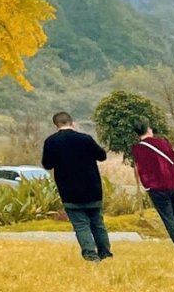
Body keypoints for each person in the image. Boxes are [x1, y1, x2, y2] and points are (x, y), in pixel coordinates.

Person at [41, 112, 111, 262]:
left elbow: (47, 164)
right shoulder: (85, 139)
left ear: (56, 125)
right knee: (98, 223)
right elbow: (102, 156)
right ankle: (105, 253)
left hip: (69, 191)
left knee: (81, 225)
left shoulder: (51, 142)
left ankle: (91, 255)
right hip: (92, 189)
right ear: (72, 122)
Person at [133, 124, 174, 249]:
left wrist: (147, 186)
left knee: (168, 217)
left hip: (157, 187)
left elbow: (142, 170)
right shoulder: (163, 142)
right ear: (148, 130)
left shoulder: (138, 149)